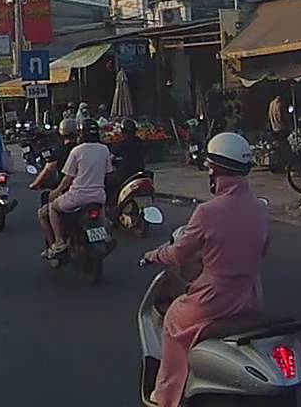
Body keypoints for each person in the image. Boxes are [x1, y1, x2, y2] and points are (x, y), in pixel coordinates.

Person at [140, 132, 269, 407]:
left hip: (214, 298)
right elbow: (262, 248)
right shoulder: (260, 208)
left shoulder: (207, 212)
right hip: (250, 295)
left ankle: (166, 395)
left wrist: (154, 254)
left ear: (215, 171)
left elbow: (179, 253)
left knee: (173, 318)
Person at [38, 118, 112, 259]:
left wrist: (56, 192)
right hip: (99, 196)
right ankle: (106, 235)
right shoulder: (104, 149)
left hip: (78, 197)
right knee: (102, 214)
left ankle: (59, 241)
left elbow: (68, 178)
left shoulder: (77, 151)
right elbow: (108, 172)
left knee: (53, 208)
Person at [29, 118, 79, 191]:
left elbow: (47, 170)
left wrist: (35, 184)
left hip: (69, 190)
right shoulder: (83, 149)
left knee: (48, 196)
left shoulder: (60, 150)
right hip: (89, 189)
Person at [107, 118, 147, 202]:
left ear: (123, 132)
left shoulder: (122, 144)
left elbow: (111, 158)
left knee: (108, 180)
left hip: (125, 174)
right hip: (139, 171)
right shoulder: (141, 142)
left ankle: (112, 203)